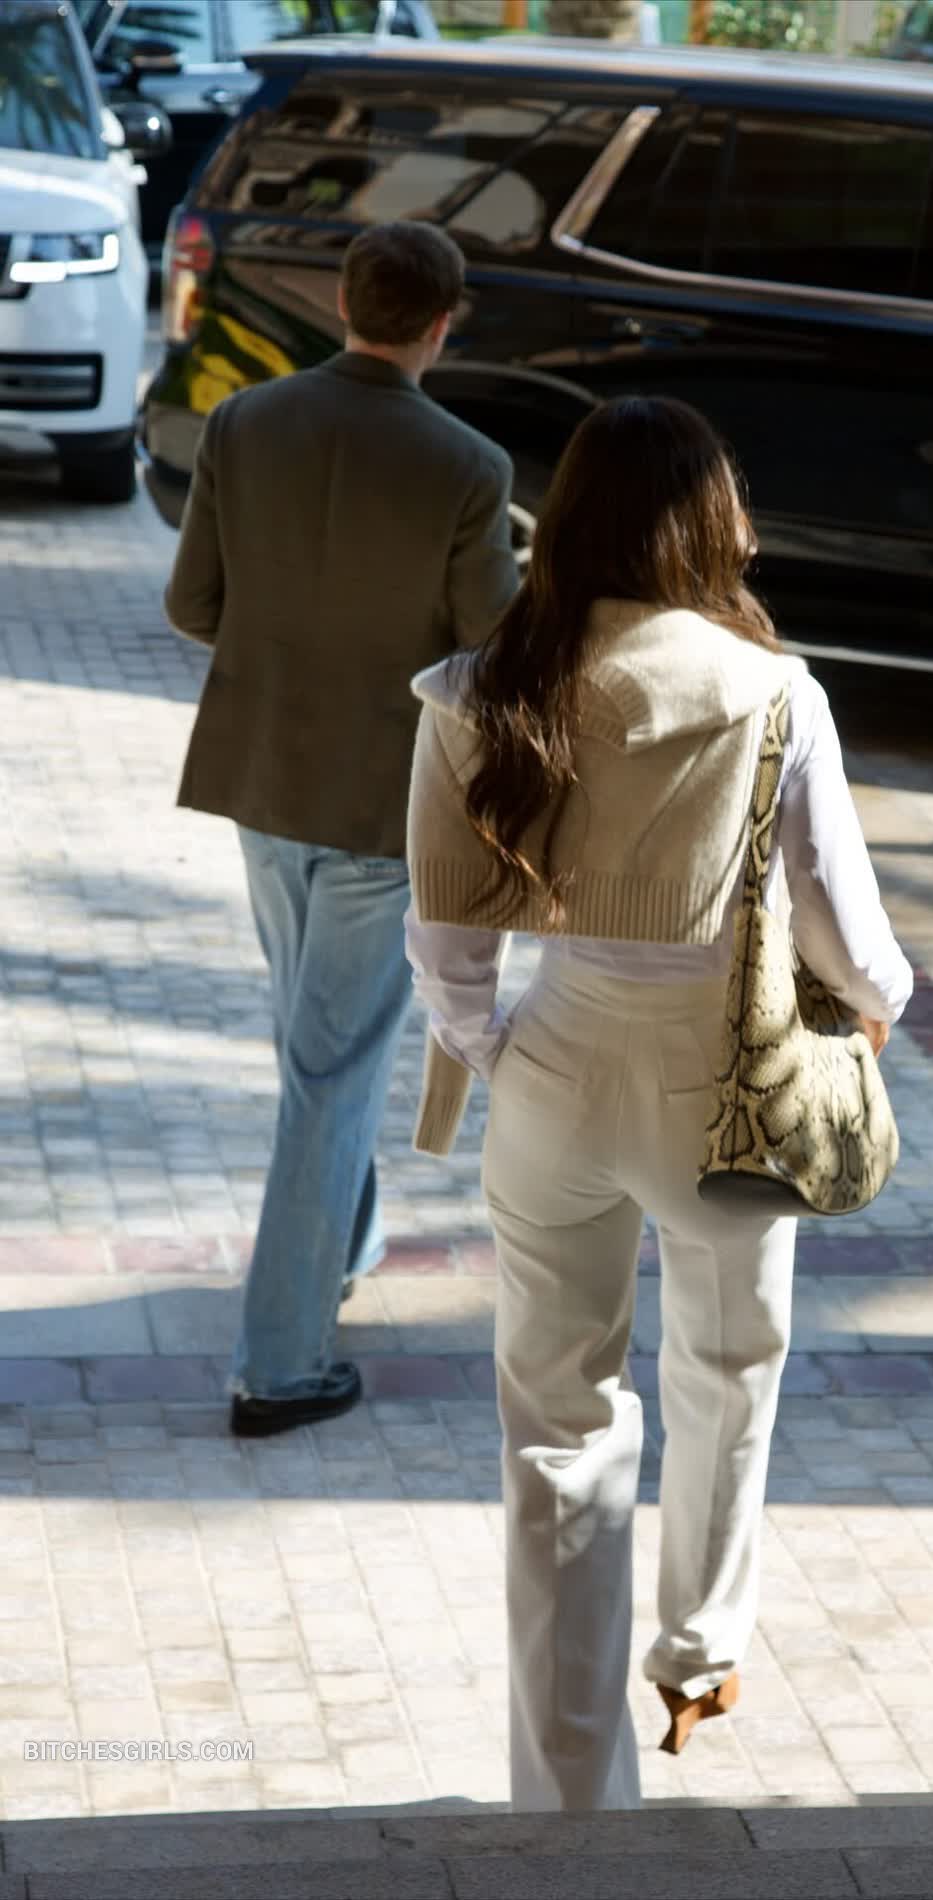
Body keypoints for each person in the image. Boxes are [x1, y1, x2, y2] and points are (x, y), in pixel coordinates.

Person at [404, 396, 913, 1810]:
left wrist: (499, 1052)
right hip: (724, 1085)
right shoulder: (775, 693)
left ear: (567, 515)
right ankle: (701, 1653)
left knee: (555, 1431)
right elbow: (844, 934)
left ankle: (569, 1787)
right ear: (711, 524)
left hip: (554, 1067)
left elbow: (443, 938)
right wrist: (884, 1003)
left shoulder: (478, 686)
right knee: (730, 1365)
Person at [164, 219, 520, 1439]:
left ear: (340, 302)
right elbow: (491, 651)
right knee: (328, 1071)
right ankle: (279, 1364)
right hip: (382, 805)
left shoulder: (241, 422)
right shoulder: (470, 465)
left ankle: (339, 1246)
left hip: (264, 783)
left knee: (316, 1056)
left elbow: (192, 603)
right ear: (442, 324)